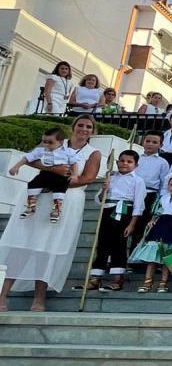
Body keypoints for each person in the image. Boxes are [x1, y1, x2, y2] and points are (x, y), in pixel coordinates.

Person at [0, 115, 101, 311]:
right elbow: (31, 159)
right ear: (72, 127)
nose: (84, 129)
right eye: (80, 125)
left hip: (66, 199)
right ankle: (2, 295)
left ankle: (39, 299)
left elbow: (88, 177)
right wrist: (53, 170)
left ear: (93, 131)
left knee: (46, 248)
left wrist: (64, 180)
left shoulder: (93, 152)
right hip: (40, 195)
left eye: (89, 127)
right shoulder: (56, 140)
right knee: (21, 244)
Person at [79, 150, 146, 292]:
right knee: (103, 243)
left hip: (124, 211)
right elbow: (99, 200)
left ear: (136, 165)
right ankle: (95, 278)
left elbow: (139, 204)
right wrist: (104, 189)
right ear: (117, 162)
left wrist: (132, 223)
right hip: (108, 210)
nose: (125, 164)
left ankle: (117, 279)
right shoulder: (110, 177)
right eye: (122, 161)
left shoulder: (138, 180)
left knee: (119, 244)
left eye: (129, 162)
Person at [130, 173, 172, 293]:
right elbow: (156, 214)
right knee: (153, 254)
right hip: (160, 225)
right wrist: (151, 221)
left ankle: (163, 282)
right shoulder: (162, 198)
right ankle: (148, 281)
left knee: (168, 255)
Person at [9, 129, 77, 221]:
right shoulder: (41, 150)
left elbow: (74, 163)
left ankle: (56, 209)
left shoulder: (68, 151)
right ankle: (31, 206)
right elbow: (27, 158)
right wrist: (16, 167)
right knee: (33, 184)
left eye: (50, 142)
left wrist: (74, 175)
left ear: (60, 142)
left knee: (60, 187)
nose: (46, 144)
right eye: (44, 141)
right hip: (46, 173)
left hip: (61, 176)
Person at [134, 133, 171, 217]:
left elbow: (164, 183)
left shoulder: (162, 162)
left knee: (143, 218)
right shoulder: (136, 159)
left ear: (160, 145)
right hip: (132, 192)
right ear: (143, 142)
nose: (150, 144)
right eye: (148, 141)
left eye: (154, 142)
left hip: (149, 194)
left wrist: (160, 198)